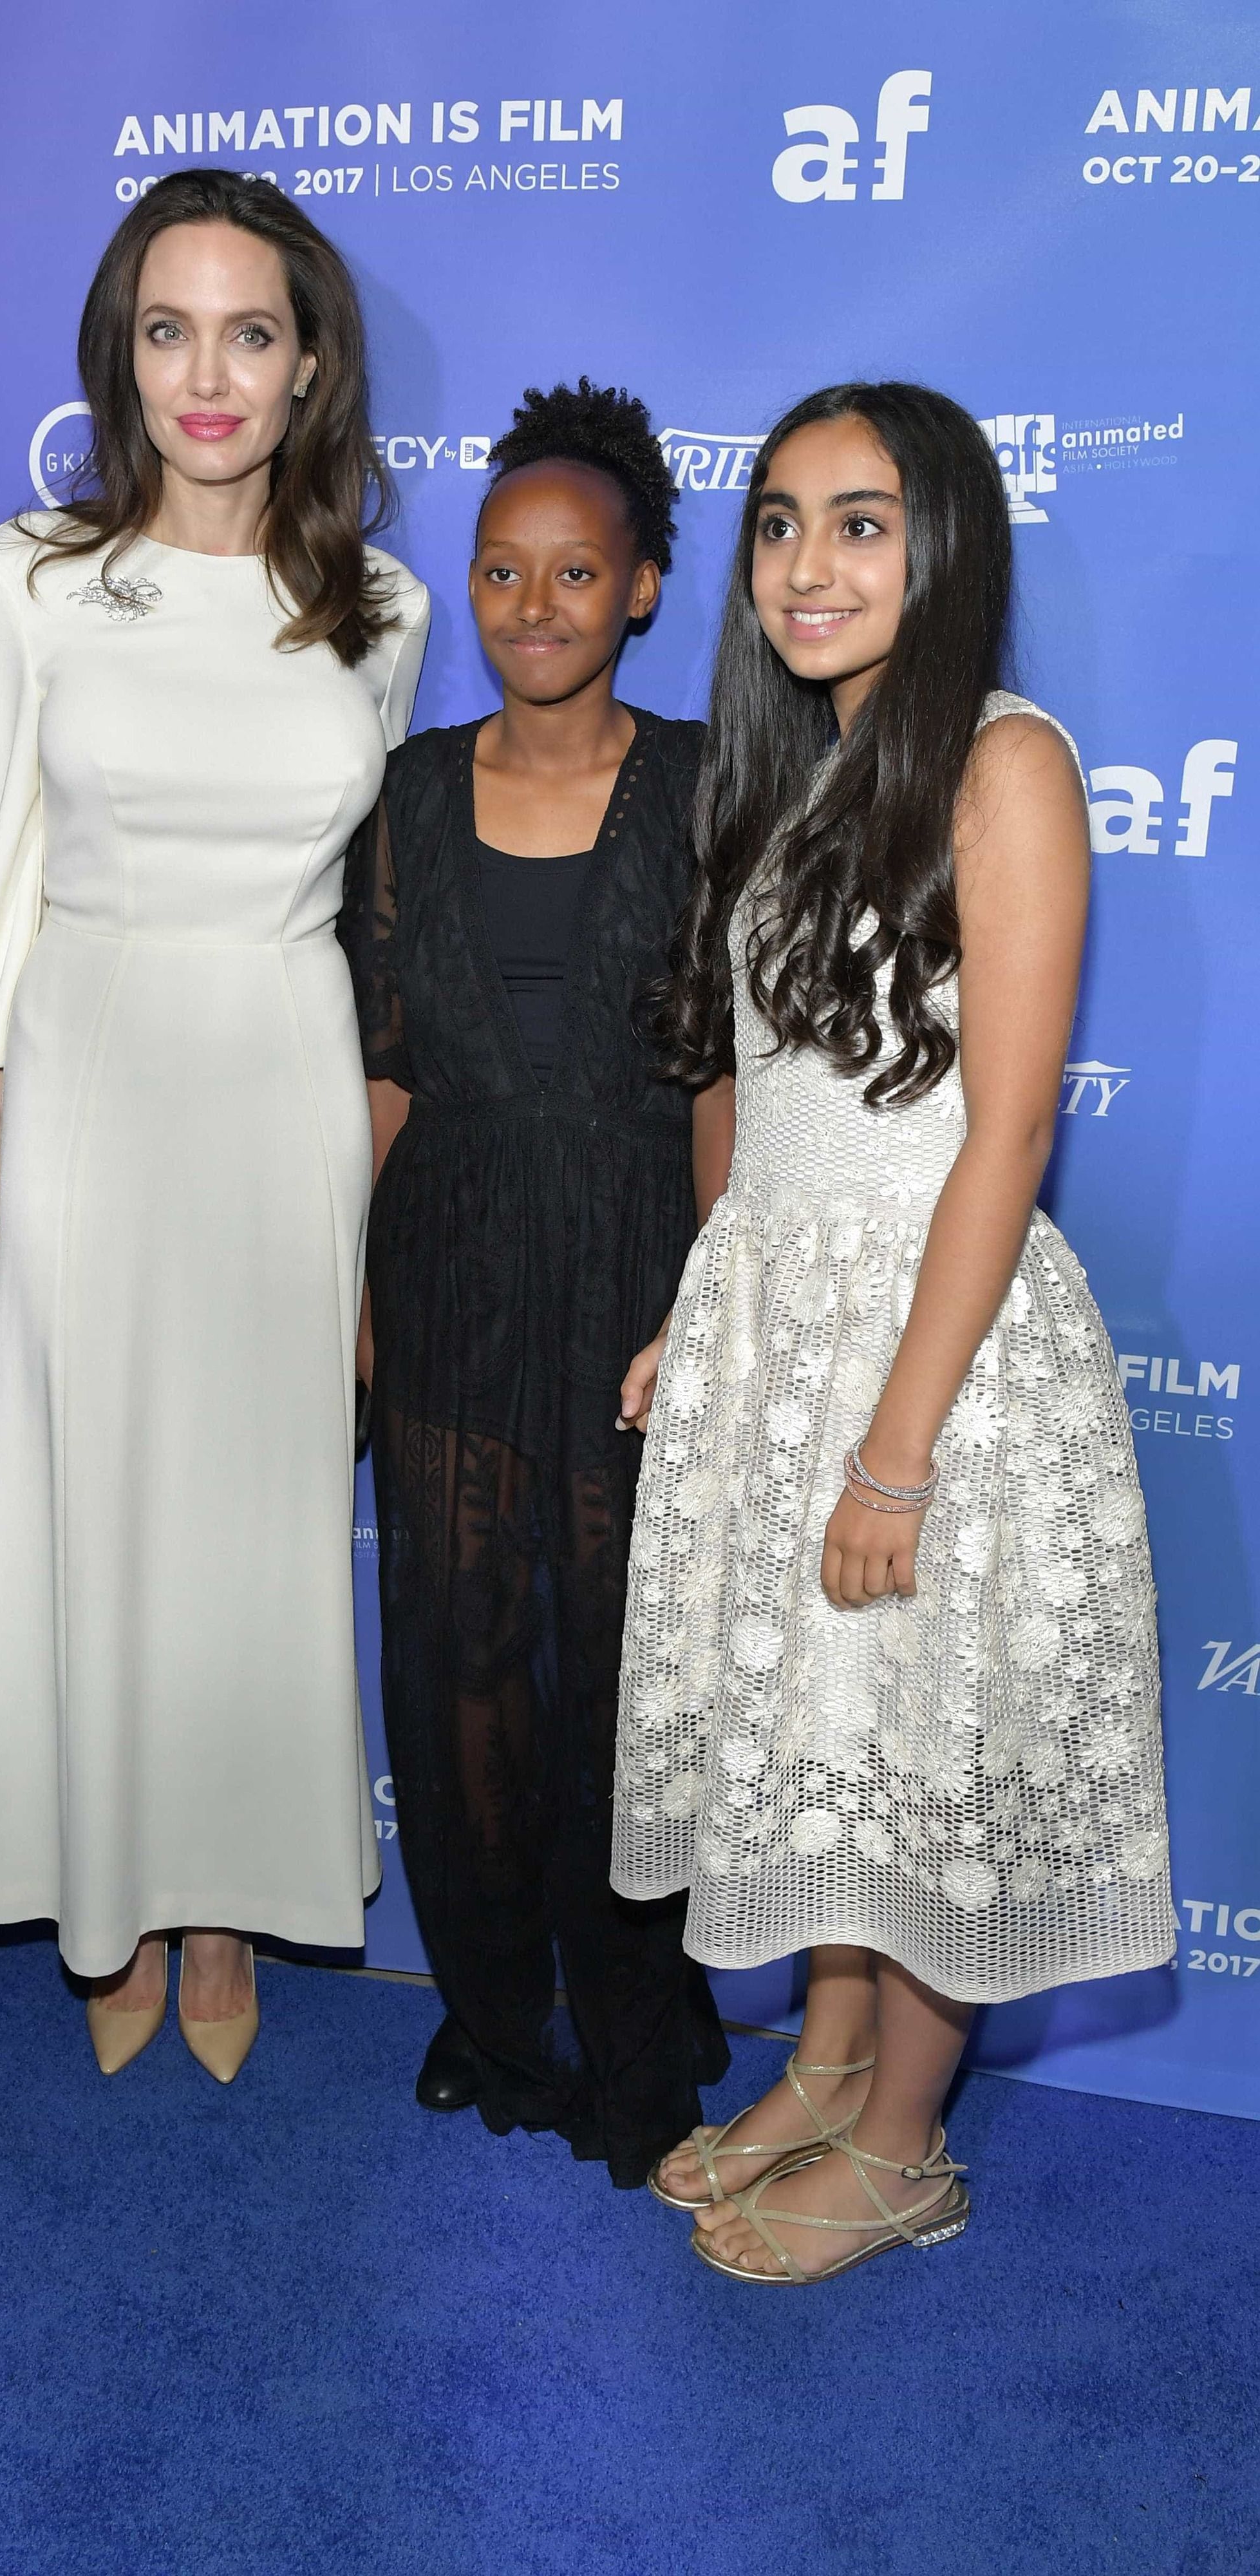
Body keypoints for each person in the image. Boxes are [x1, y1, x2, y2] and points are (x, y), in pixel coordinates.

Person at [612, 381, 1172, 2279]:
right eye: (778, 521)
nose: (809, 562)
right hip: (787, 1326)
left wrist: (893, 1448)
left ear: (947, 545)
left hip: (937, 1344)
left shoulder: (1001, 761)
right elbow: (741, 1081)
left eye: (861, 521)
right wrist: (715, 1323)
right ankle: (831, 2065)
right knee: (828, 1730)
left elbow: (1005, 1130)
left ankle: (911, 2140)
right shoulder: (783, 771)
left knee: (928, 1742)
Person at [0, 170, 428, 2082]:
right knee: (92, 1497)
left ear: (310, 362)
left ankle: (225, 1902)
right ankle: (108, 1888)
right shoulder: (29, 578)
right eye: (169, 332)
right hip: (84, 1064)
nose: (207, 376)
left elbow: (370, 883)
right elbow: (9, 867)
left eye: (250, 332)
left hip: (281, 1072)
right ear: (121, 355)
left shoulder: (378, 606)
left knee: (257, 1509)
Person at [339, 382, 729, 2188]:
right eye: (503, 571)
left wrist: (712, 1296)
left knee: (625, 1679)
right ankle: (492, 2013)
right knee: (461, 1666)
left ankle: (641, 2021)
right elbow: (386, 1060)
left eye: (578, 571)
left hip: (644, 1274)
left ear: (643, 585)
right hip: (448, 1266)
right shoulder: (408, 792)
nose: (537, 602)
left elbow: (727, 1075)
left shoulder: (713, 789)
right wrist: (345, 1283)